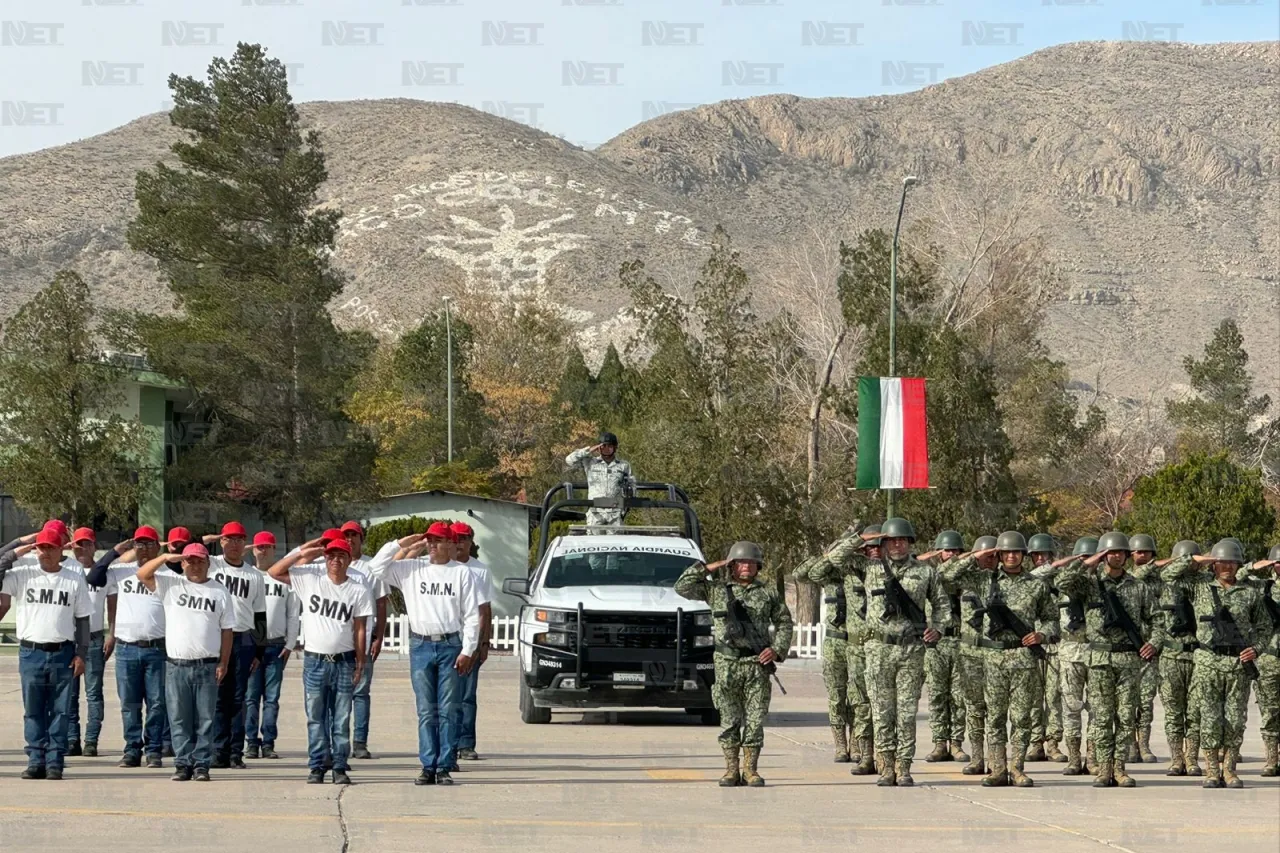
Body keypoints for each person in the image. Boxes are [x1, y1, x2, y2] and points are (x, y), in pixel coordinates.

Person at [930, 532, 1056, 787]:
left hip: (1022, 657)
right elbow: (944, 576)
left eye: (1016, 552)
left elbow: (1052, 618)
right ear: (998, 555)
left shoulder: (1036, 584)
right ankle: (997, 769)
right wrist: (977, 556)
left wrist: (1042, 634)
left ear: (1023, 555)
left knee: (1021, 717)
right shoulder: (983, 580)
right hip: (992, 657)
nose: (1012, 556)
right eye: (1006, 552)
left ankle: (1017, 769)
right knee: (996, 716)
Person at [367, 522, 481, 785]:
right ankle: (428, 765)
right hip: (420, 646)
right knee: (426, 710)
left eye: (438, 541)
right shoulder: (412, 568)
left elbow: (473, 616)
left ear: (451, 544)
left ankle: (444, 766)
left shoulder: (462, 574)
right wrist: (403, 542)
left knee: (449, 709)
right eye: (430, 540)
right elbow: (376, 567)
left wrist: (468, 650)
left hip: (450, 644)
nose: (432, 545)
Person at [675, 541, 793, 787]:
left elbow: (784, 622)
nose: (746, 566)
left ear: (758, 566)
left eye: (751, 562)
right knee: (729, 719)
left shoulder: (768, 592)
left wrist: (777, 650)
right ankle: (731, 769)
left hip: (756, 664)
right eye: (740, 562)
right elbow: (682, 586)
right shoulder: (716, 590)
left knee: (755, 719)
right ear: (732, 566)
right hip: (726, 663)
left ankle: (750, 770)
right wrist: (713, 565)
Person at [1053, 531, 1159, 788]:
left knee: (1125, 716)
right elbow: (1062, 581)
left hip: (1128, 660)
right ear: (1103, 555)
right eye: (1111, 552)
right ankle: (1103, 768)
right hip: (1099, 658)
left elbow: (1158, 620)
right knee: (1101, 716)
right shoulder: (1089, 584)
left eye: (1121, 552)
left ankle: (1119, 768)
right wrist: (1088, 562)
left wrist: (1153, 644)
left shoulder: (1138, 587)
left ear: (1126, 555)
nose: (1116, 556)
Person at [1162, 539, 1269, 788]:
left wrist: (1256, 649)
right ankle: (1211, 770)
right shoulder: (1199, 587)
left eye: (1232, 562)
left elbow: (1264, 627)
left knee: (1234, 720)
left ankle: (1229, 770)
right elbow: (1168, 575)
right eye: (1222, 561)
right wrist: (1197, 559)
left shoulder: (1250, 592)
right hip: (1208, 662)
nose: (1227, 567)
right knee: (1209, 719)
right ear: (1213, 564)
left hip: (1237, 664)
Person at [268, 537, 373, 785]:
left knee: (341, 717)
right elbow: (274, 571)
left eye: (341, 556)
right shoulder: (310, 581)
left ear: (349, 560)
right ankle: (316, 765)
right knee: (315, 717)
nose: (336, 560)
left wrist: (360, 662)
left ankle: (338, 765)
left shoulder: (358, 589)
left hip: (344, 661)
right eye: (331, 555)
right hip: (315, 661)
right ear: (325, 559)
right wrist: (304, 551)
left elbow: (360, 629)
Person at [136, 544, 234, 782]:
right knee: (178, 718)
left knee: (205, 719)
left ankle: (201, 764)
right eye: (190, 561)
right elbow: (142, 574)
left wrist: (224, 662)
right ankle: (182, 764)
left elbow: (227, 631)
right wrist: (165, 557)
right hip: (176, 665)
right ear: (182, 563)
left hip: (207, 665)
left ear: (208, 563)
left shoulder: (220, 592)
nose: (195, 565)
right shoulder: (171, 585)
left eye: (200, 561)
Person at [0, 531, 92, 780]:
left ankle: (55, 761)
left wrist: (81, 654)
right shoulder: (22, 574)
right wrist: (21, 545)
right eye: (41, 548)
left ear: (62, 550)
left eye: (51, 547)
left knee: (60, 711)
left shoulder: (73, 578)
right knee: (33, 710)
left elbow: (83, 619)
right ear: (35, 550)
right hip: (31, 652)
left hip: (63, 652)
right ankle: (35, 759)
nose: (46, 552)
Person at [797, 525, 879, 774]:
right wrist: (831, 551)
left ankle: (856, 743)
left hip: (858, 641)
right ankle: (840, 745)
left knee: (858, 696)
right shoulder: (833, 573)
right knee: (836, 695)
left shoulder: (868, 572)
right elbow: (803, 574)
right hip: (835, 641)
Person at [87, 526, 170, 768]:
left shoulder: (167, 573)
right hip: (126, 649)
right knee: (130, 703)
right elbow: (93, 577)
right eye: (139, 544)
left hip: (157, 648)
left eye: (148, 544)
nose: (144, 548)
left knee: (157, 702)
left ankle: (154, 750)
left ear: (157, 546)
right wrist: (114, 551)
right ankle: (132, 749)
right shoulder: (121, 571)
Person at [1034, 536, 1098, 776]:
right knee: (1070, 707)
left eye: (1092, 559)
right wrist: (1069, 562)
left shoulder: (1102, 584)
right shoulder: (1061, 583)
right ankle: (1074, 758)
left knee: (1096, 709)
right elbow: (1035, 576)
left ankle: (1092, 758)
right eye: (1085, 559)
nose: (1089, 564)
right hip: (1069, 652)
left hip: (1097, 653)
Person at [208, 521, 267, 769]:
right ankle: (217, 750)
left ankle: (235, 751)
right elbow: (187, 549)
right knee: (217, 697)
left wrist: (259, 651)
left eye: (239, 539)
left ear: (245, 544)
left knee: (238, 698)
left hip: (242, 639)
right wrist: (208, 539)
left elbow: (260, 615)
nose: (234, 544)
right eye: (229, 539)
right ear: (221, 541)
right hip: (215, 638)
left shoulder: (253, 575)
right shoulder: (211, 564)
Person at [944, 534, 998, 777]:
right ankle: (977, 757)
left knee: (997, 709)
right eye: (986, 556)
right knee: (974, 708)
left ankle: (997, 760)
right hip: (969, 653)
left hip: (997, 653)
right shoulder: (966, 578)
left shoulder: (1007, 580)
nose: (990, 560)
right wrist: (973, 558)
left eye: (994, 555)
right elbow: (944, 575)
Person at [244, 531, 300, 760]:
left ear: (274, 549)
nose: (263, 550)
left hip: (276, 646)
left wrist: (290, 644)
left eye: (267, 547)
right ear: (253, 549)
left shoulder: (284, 578)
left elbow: (293, 614)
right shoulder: (247, 576)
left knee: (271, 699)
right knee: (250, 697)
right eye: (259, 547)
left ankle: (268, 742)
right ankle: (250, 742)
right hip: (250, 645)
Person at [1152, 539, 1205, 776]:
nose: (1191, 565)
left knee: (1195, 711)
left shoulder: (1205, 584)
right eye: (1187, 560)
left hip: (1197, 655)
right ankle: (1176, 759)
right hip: (1171, 656)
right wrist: (1183, 561)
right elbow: (1168, 572)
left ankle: (1192, 759)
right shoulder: (1166, 582)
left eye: (1194, 560)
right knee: (1173, 712)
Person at [340, 521, 387, 762]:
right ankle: (339, 741)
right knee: (338, 695)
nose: (349, 539)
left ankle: (360, 742)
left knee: (361, 693)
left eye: (354, 535)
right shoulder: (334, 564)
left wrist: (378, 636)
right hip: (338, 641)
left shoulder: (371, 567)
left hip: (364, 640)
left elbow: (381, 602)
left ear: (361, 539)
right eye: (345, 535)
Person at [923, 529, 969, 764]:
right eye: (947, 550)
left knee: (959, 696)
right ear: (938, 553)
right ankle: (940, 742)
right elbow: (943, 575)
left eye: (955, 550)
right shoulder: (932, 574)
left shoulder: (969, 574)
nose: (951, 554)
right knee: (938, 694)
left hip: (961, 641)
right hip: (937, 642)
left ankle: (957, 743)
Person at [451, 521, 492, 763]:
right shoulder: (443, 568)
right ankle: (449, 742)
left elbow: (485, 610)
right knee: (448, 697)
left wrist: (483, 643)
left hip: (471, 640)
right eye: (456, 538)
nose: (460, 543)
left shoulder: (480, 570)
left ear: (470, 542)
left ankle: (466, 743)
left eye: (464, 539)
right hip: (448, 638)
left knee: (467, 696)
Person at [66, 527, 108, 758]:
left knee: (93, 694)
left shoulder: (103, 573)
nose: (83, 549)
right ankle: (72, 739)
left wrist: (112, 634)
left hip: (93, 639)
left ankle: (91, 740)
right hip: (69, 640)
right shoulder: (65, 570)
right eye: (78, 544)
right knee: (70, 695)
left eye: (87, 544)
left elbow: (112, 605)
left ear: (94, 546)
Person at [1025, 533, 1064, 763]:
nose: (1041, 559)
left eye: (1045, 554)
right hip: (1032, 646)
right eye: (1036, 555)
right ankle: (1035, 742)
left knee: (1054, 697)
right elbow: (1037, 574)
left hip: (1055, 645)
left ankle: (1053, 743)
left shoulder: (1061, 580)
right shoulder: (1029, 580)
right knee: (1033, 698)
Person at [1241, 544, 1280, 776]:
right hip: (1268, 659)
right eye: (1277, 562)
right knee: (1269, 712)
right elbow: (1237, 575)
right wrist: (1255, 566)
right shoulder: (1262, 587)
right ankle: (1271, 760)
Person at [1128, 533, 1162, 764]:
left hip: (1150, 648)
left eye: (1147, 552)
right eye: (1139, 552)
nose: (1143, 555)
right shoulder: (1128, 578)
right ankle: (1130, 744)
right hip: (1129, 650)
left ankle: (1144, 744)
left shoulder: (1161, 580)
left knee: (1146, 701)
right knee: (1128, 701)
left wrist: (1155, 643)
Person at [565, 432, 634, 529]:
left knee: (615, 543)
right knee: (594, 542)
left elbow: (631, 486)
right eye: (603, 446)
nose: (606, 449)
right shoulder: (590, 462)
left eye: (609, 447)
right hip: (595, 512)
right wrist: (589, 450)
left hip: (615, 512)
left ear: (615, 447)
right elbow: (569, 460)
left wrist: (626, 506)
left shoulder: (623, 465)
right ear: (599, 447)